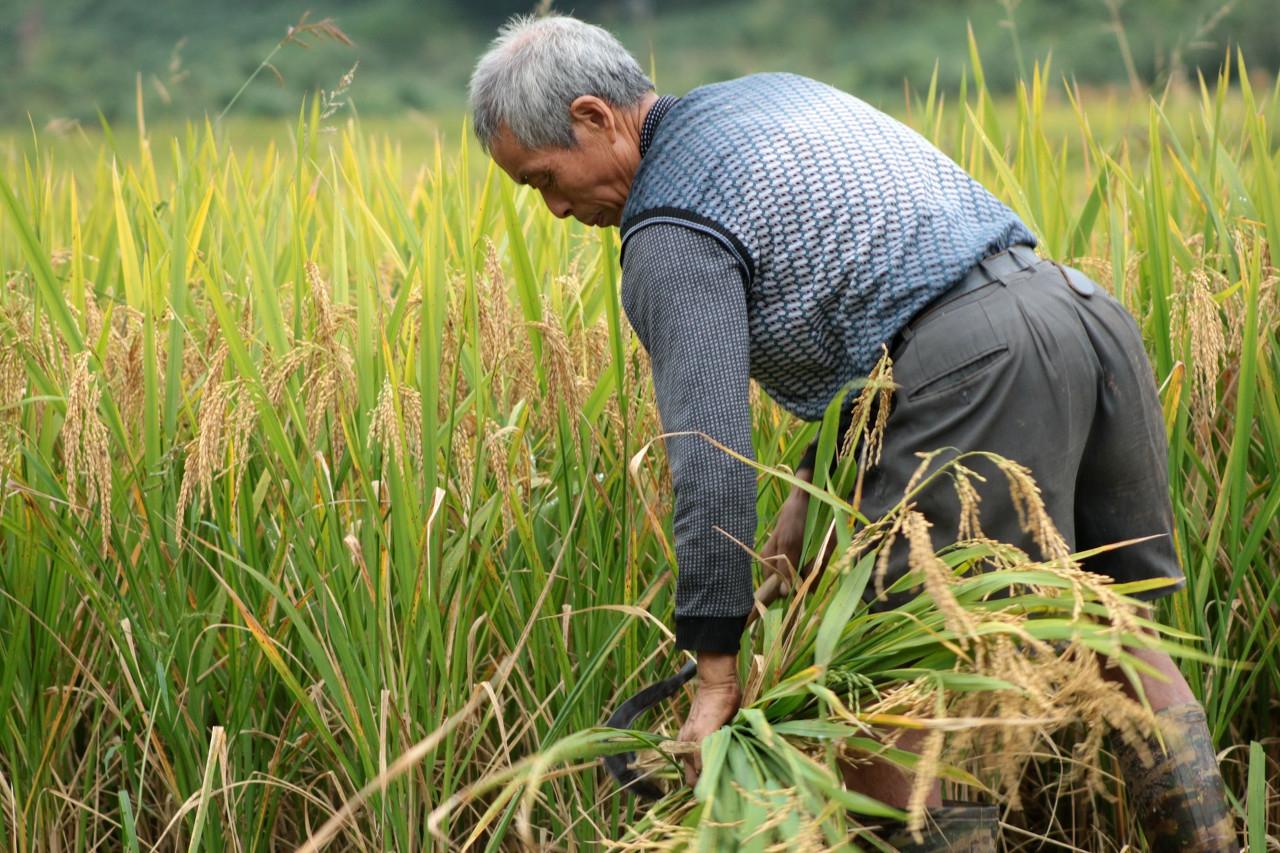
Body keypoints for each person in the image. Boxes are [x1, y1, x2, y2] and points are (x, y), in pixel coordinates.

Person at [468, 13, 1237, 851]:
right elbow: (887, 302)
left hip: (975, 361)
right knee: (1113, 630)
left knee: (896, 689)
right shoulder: (763, 101)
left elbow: (711, 458)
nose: (551, 208)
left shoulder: (668, 227)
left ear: (594, 117)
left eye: (544, 177)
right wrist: (803, 514)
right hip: (1080, 317)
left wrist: (714, 661)